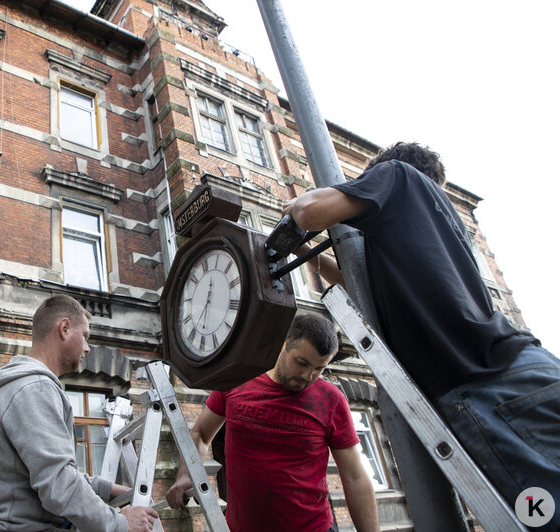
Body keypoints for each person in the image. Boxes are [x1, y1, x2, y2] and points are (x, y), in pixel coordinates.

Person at [283, 142, 560, 526]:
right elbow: (360, 283)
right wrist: (308, 251)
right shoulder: (438, 222)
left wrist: (295, 208)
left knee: (547, 515)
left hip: (482, 389)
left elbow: (312, 211)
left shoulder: (397, 175)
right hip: (529, 367)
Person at [165, 314, 380, 532]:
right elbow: (201, 433)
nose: (307, 375)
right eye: (302, 363)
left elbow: (355, 477)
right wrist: (186, 474)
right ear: (283, 345)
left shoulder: (331, 400)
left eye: (319, 368)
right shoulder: (237, 379)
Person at [0, 294, 158, 532]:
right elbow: (58, 483)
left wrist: (104, 488)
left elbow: (46, 472)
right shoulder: (34, 389)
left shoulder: (29, 387)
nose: (88, 347)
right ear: (64, 329)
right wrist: (120, 524)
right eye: (85, 336)